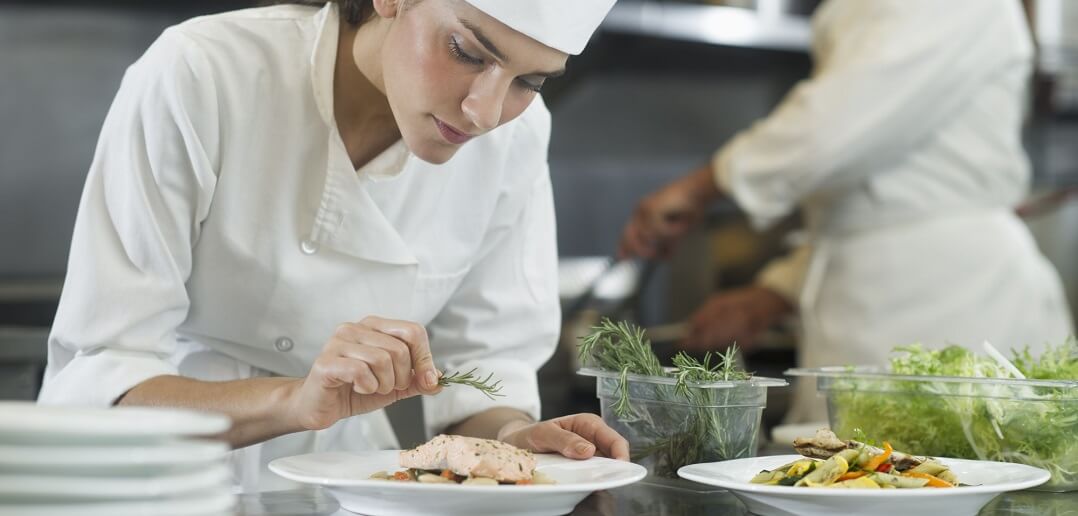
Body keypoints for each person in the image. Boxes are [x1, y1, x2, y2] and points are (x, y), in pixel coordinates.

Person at [38, 0, 629, 491]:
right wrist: (295, 401)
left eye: (529, 81)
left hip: (343, 490)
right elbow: (103, 386)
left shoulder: (516, 138)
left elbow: (485, 368)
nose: (485, 112)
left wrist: (511, 438)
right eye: (466, 52)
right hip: (149, 484)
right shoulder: (203, 72)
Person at [619, 0, 1074, 423]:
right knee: (853, 466)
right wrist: (777, 291)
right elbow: (874, 197)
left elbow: (831, 131)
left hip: (949, 303)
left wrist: (703, 186)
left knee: (923, 468)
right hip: (885, 298)